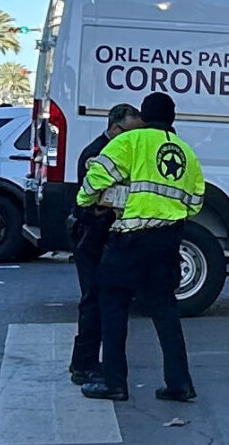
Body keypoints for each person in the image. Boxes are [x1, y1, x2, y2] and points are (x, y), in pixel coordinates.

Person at [76, 90, 203, 403]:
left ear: (144, 117)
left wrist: (86, 202)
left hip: (129, 241)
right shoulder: (186, 152)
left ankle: (114, 381)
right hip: (167, 242)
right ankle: (179, 383)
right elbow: (196, 202)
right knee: (165, 311)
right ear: (173, 119)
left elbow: (96, 178)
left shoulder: (129, 142)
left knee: (113, 304)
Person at [68, 103, 143, 384]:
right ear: (114, 128)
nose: (134, 140)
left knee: (103, 299)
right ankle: (83, 364)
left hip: (108, 235)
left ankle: (86, 361)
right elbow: (87, 199)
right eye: (130, 133)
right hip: (92, 235)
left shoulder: (120, 152)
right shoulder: (97, 154)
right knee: (93, 300)